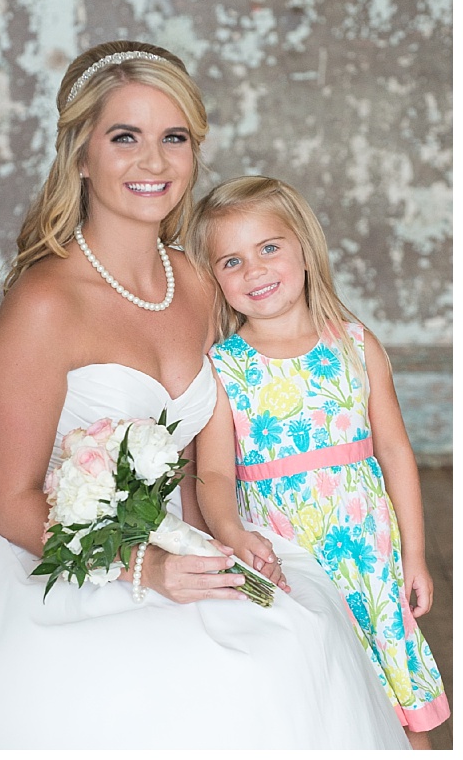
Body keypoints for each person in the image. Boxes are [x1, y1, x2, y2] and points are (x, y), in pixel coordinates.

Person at [0, 40, 410, 749]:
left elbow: (245, 417)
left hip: (192, 528)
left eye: (173, 138)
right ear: (81, 154)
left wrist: (241, 531)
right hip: (68, 551)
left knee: (298, 636)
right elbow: (10, 500)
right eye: (126, 137)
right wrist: (143, 568)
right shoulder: (44, 306)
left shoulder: (204, 281)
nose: (153, 162)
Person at [185, 175, 450, 749]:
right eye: (231, 261)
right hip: (286, 552)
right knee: (319, 694)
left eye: (269, 248)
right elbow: (213, 473)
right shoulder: (223, 367)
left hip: (367, 556)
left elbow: (396, 452)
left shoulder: (354, 345)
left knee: (398, 708)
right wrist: (230, 531)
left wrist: (416, 553)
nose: (254, 270)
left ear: (303, 247)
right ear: (214, 279)